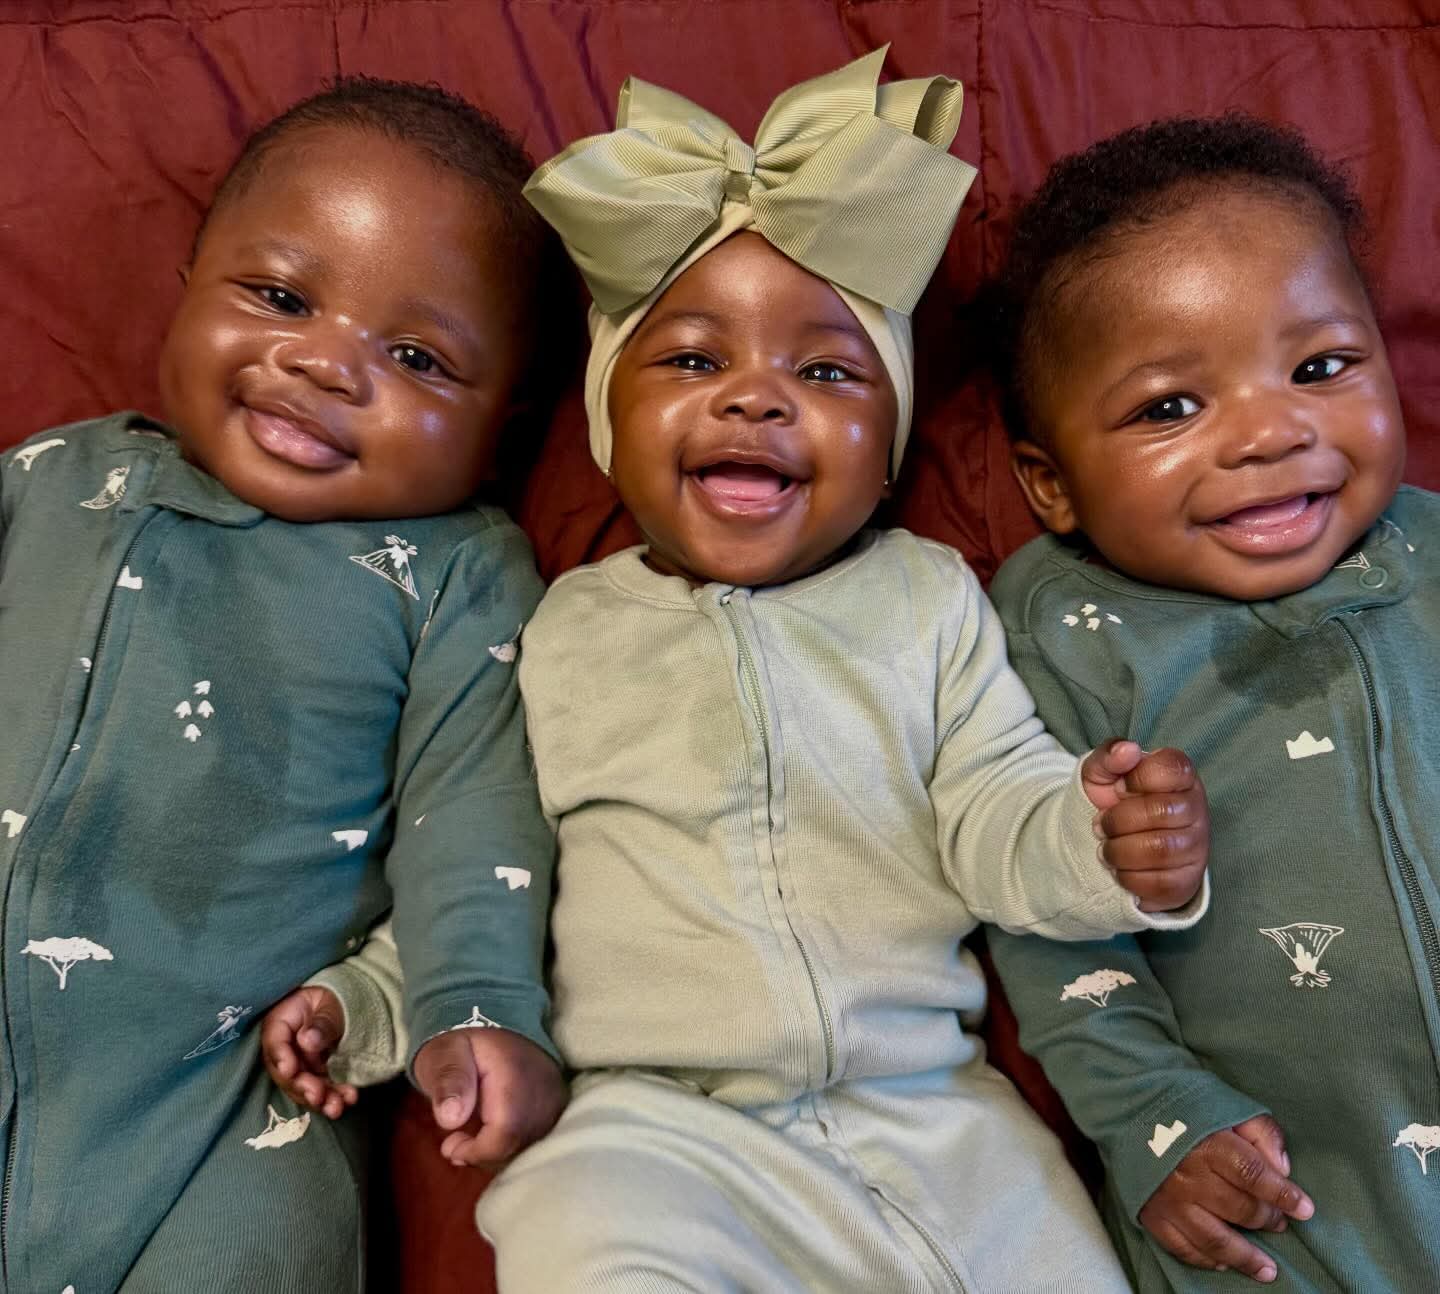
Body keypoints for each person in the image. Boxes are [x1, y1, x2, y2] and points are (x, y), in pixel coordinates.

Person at [285, 50, 1215, 1291]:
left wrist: (1101, 847)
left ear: (886, 441)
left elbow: (996, 805)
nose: (755, 400)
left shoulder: (927, 596)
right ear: (610, 422)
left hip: (933, 1105)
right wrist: (374, 1001)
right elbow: (486, 862)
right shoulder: (561, 628)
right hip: (650, 1122)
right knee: (581, 1231)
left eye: (826, 372)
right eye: (691, 360)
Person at [0, 77, 565, 1292]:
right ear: (189, 278)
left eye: (415, 355)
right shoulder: (51, 475)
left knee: (280, 1238)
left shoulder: (458, 571)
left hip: (221, 1091)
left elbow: (476, 815)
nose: (323, 362)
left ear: (500, 418)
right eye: (279, 295)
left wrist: (476, 1004)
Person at [984, 115, 1438, 1291]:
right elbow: (1038, 923)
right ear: (1051, 482)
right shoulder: (1059, 633)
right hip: (1287, 1193)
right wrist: (1158, 1118)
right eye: (1170, 408)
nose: (1271, 431)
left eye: (1322, 367)